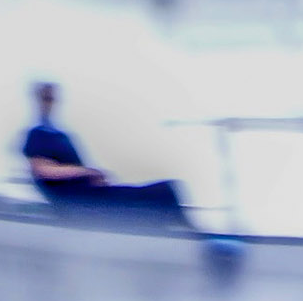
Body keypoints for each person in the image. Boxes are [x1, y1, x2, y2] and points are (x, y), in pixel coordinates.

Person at [20, 82, 190, 227]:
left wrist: (93, 176)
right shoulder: (38, 134)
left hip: (92, 197)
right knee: (163, 192)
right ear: (37, 100)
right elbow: (43, 170)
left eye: (53, 99)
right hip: (80, 205)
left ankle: (188, 237)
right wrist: (88, 172)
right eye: (46, 98)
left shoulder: (60, 135)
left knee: (164, 191)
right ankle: (192, 242)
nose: (50, 103)